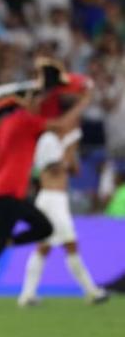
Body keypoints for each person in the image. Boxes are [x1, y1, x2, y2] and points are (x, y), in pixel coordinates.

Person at [0, 87, 92, 313]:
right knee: (26, 235)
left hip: (7, 191)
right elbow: (62, 125)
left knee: (43, 228)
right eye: (35, 99)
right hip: (9, 194)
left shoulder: (7, 123)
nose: (39, 103)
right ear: (25, 102)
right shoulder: (25, 121)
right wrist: (83, 102)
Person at [18, 127, 108, 306]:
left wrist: (71, 150)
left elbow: (75, 170)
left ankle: (27, 295)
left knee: (44, 248)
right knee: (70, 244)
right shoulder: (48, 139)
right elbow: (52, 168)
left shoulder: (62, 144)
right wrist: (68, 149)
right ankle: (92, 291)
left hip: (58, 199)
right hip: (51, 198)